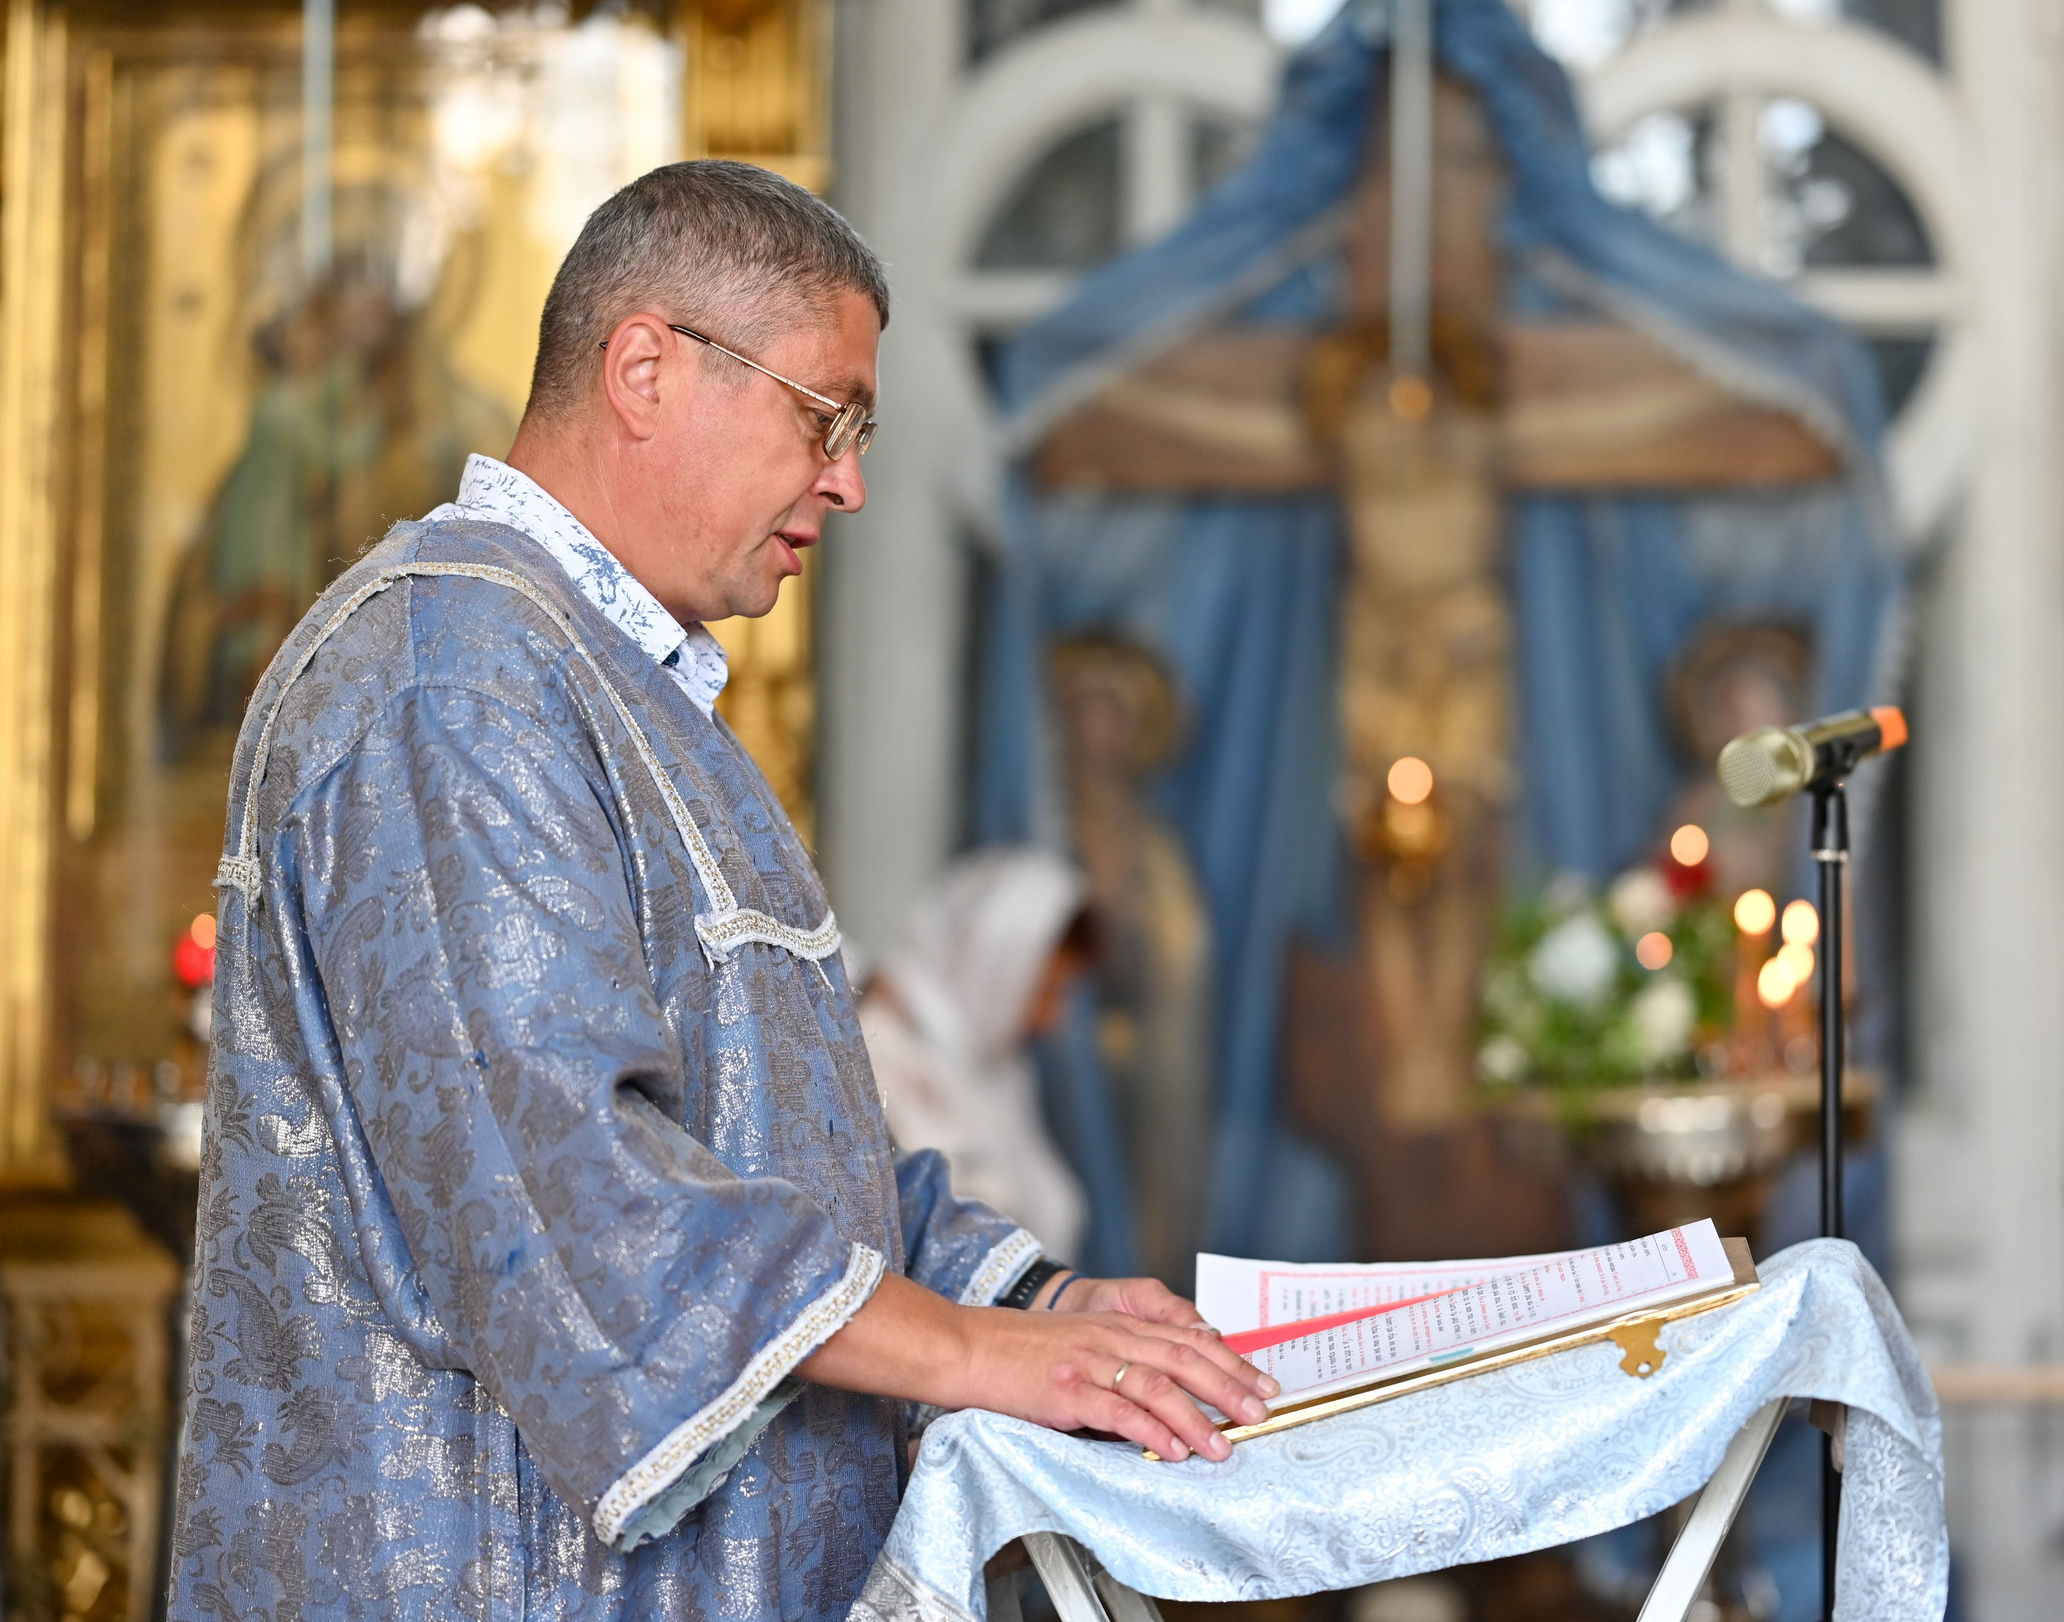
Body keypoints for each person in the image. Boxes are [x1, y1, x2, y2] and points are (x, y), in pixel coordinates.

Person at [170, 160, 1274, 1622]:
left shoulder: (612, 682)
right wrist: (962, 1352)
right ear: (645, 366)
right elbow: (565, 1183)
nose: (851, 480)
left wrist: (1035, 1302)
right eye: (827, 417)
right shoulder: (449, 676)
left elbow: (777, 1154)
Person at [860, 849, 1095, 1257]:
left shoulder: (996, 1069)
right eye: (1045, 992)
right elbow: (942, 1237)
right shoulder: (880, 1051)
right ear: (993, 964)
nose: (1054, 1019)